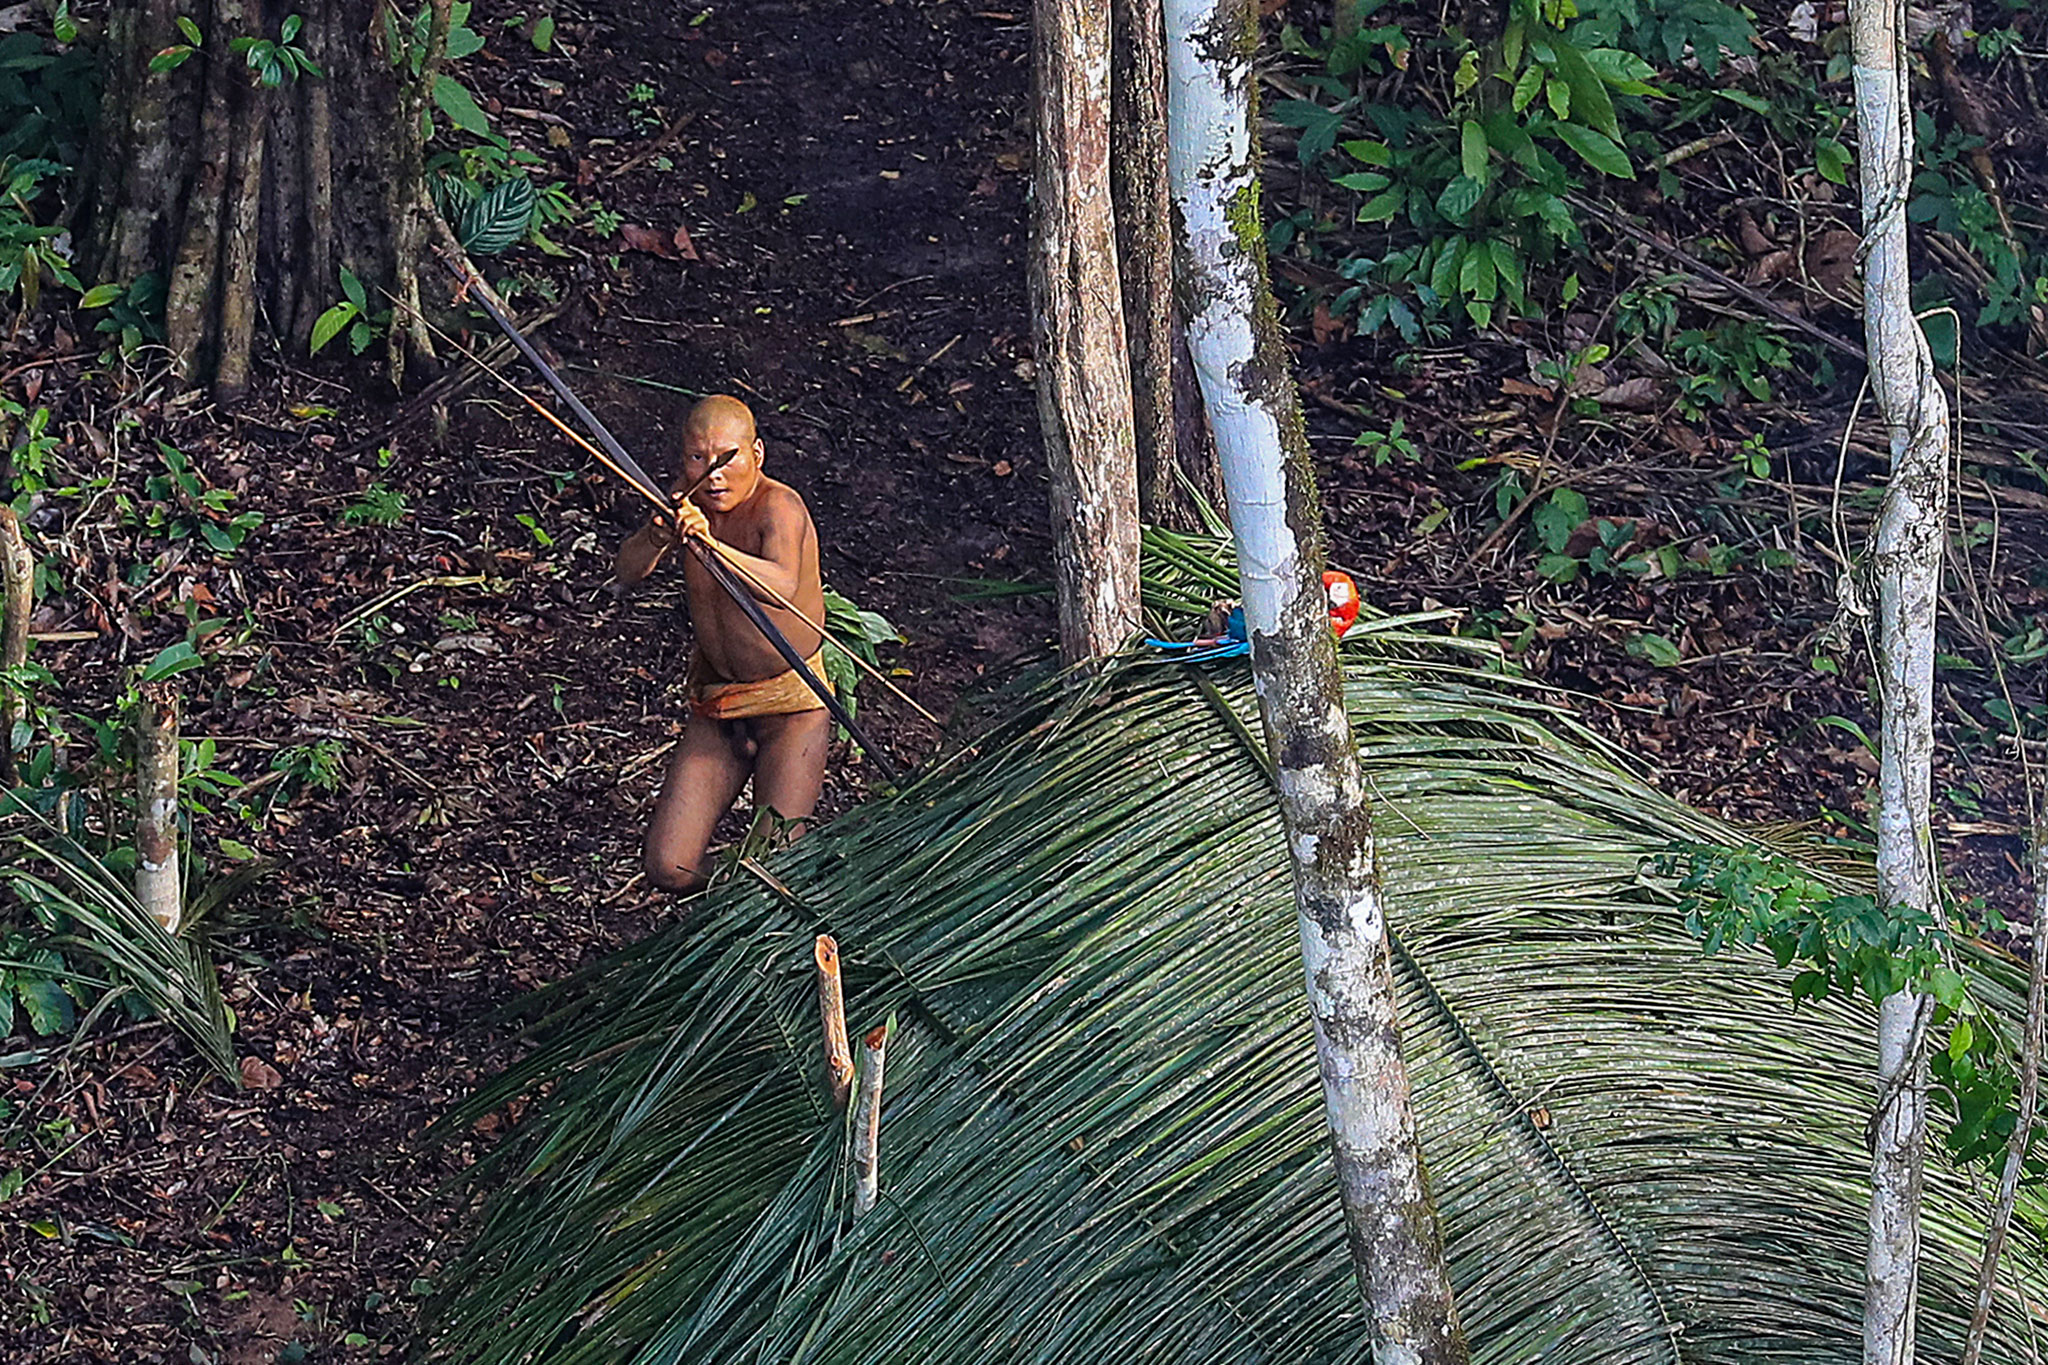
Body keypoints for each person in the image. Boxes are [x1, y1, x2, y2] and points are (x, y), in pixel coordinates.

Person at [613, 395, 831, 892]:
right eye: (698, 458)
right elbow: (626, 571)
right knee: (670, 865)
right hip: (721, 703)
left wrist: (710, 545)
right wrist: (656, 537)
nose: (712, 475)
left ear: (757, 454)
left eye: (727, 458)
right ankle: (735, 891)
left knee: (777, 865)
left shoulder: (779, 507)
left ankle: (763, 902)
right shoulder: (685, 502)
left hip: (790, 708)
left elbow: (781, 584)